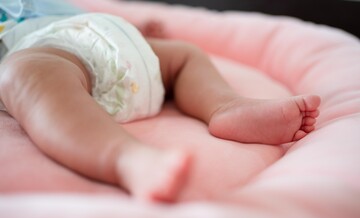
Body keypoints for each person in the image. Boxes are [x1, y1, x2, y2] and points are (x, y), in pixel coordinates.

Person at [0, 0, 320, 202]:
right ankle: (125, 158)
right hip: (42, 53)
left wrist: (137, 34)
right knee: (24, 72)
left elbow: (81, 18)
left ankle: (226, 106)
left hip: (103, 37)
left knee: (184, 55)